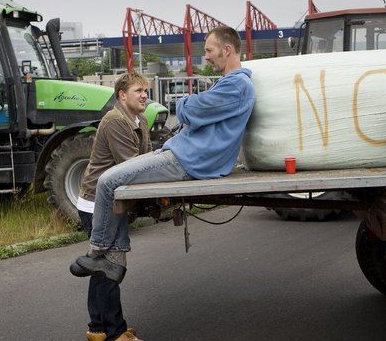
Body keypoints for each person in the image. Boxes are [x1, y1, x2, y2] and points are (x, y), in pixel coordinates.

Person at [73, 26, 255, 319]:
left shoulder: (236, 86)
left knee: (108, 180)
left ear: (227, 50)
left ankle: (98, 254)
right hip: (183, 154)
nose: (205, 56)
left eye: (209, 50)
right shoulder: (229, 84)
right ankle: (112, 261)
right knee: (113, 181)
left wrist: (183, 104)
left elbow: (190, 111)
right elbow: (198, 115)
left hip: (187, 160)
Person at [68, 72, 152, 341]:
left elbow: (148, 158)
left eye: (146, 90)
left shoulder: (141, 121)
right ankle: (116, 333)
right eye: (138, 90)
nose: (144, 95)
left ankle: (97, 327)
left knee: (100, 266)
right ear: (121, 95)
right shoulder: (115, 121)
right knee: (110, 266)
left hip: (114, 200)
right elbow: (133, 166)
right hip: (99, 204)